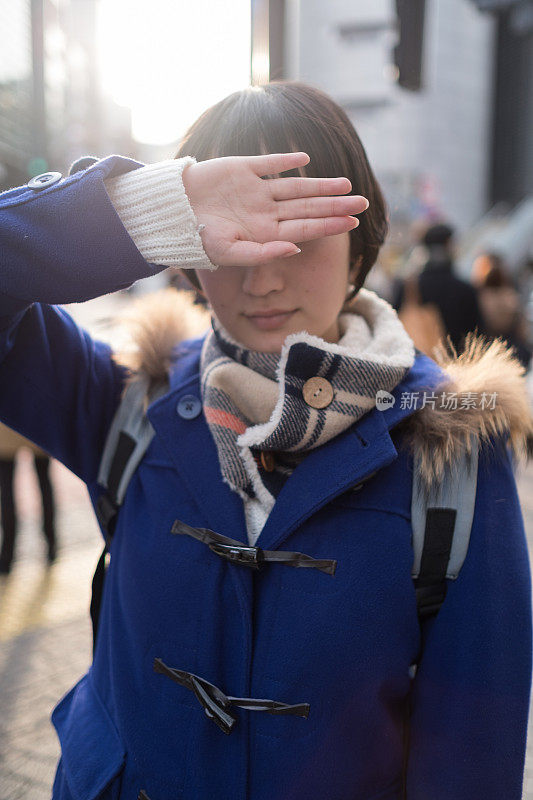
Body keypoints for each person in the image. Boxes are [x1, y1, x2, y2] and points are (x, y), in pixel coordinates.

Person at [0, 81, 531, 800]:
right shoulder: (125, 396)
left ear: (359, 240)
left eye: (302, 225)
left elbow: (472, 752)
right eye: (231, 236)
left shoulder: (449, 443)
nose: (264, 271)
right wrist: (141, 209)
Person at [393, 222, 486, 353]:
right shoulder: (464, 289)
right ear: (449, 245)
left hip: (419, 365)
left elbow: (393, 325)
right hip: (459, 366)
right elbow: (478, 336)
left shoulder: (409, 287)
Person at [0, 423, 56, 573]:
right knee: (44, 483)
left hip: (7, 422)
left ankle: (7, 557)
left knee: (6, 489)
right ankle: (52, 547)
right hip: (35, 418)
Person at [472, 252, 532, 371]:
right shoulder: (510, 295)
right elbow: (521, 327)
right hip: (515, 348)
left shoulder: (479, 298)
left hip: (492, 351)